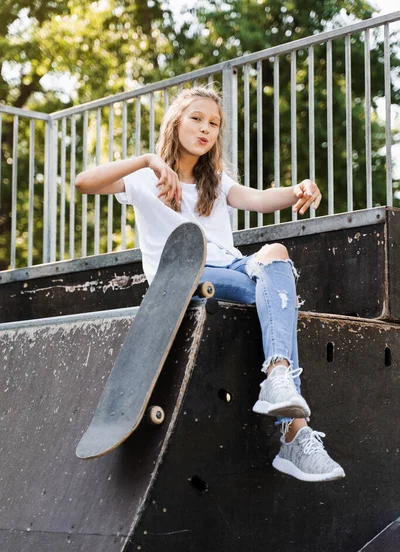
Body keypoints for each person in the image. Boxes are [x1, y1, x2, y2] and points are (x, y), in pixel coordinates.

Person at [75, 86, 345, 483]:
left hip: (234, 269)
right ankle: (292, 433)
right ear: (176, 122)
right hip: (182, 275)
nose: (205, 129)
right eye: (196, 119)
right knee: (276, 298)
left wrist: (297, 190)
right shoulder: (142, 180)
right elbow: (84, 182)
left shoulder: (215, 182)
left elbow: (259, 198)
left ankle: (279, 382)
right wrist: (149, 160)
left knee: (276, 252)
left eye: (214, 124)